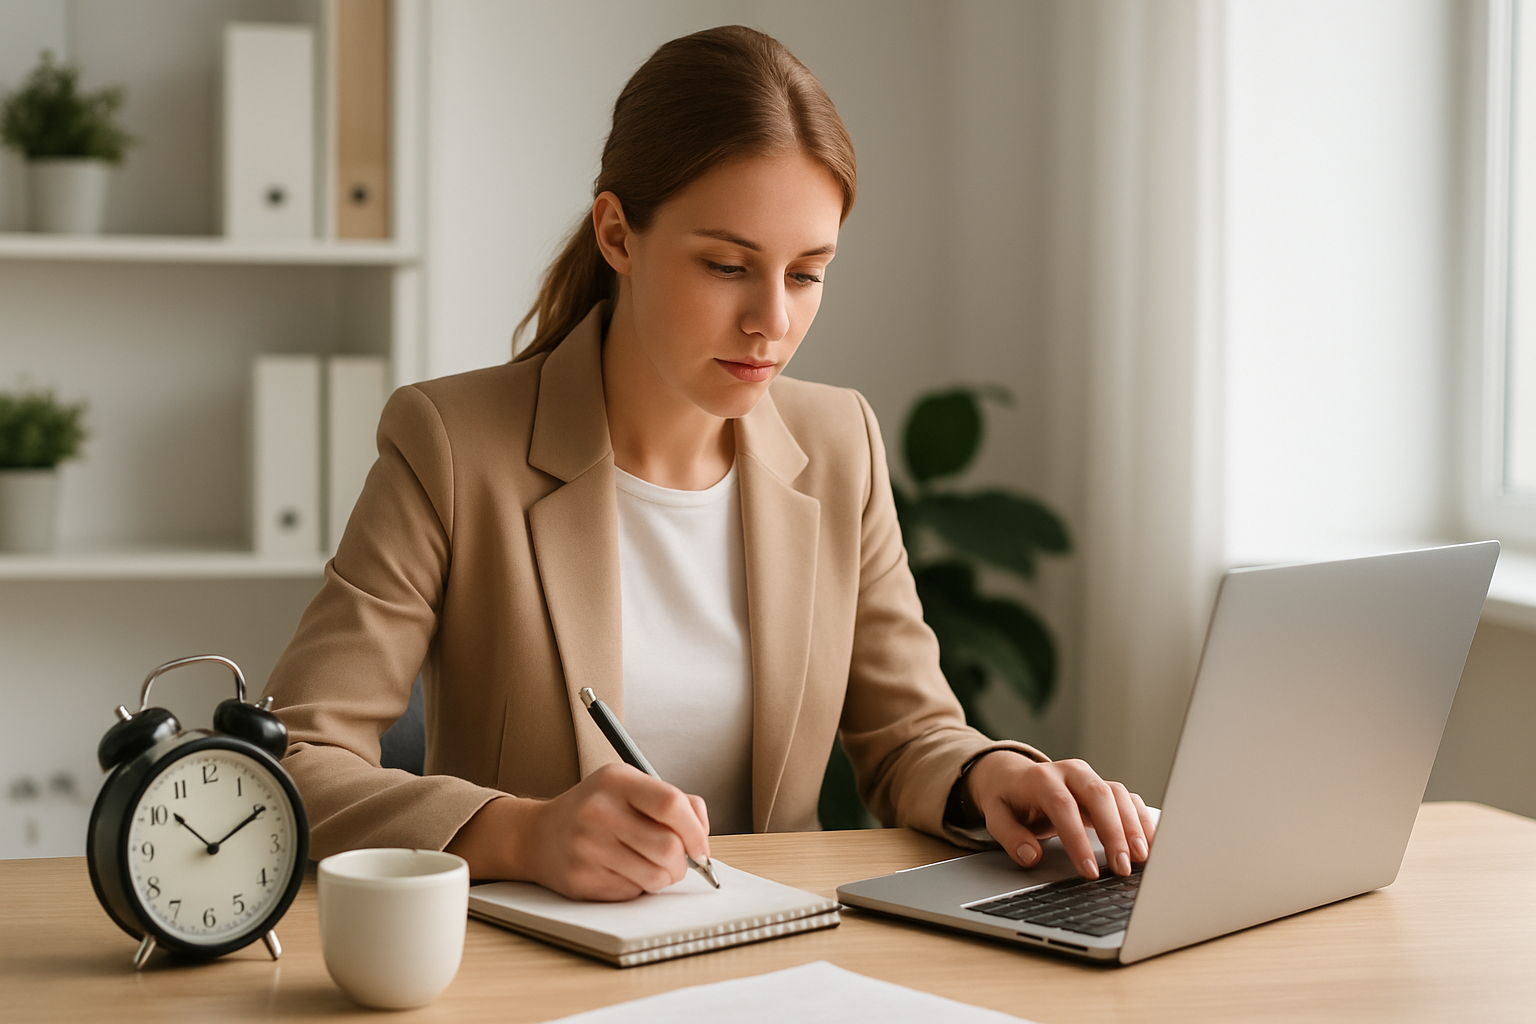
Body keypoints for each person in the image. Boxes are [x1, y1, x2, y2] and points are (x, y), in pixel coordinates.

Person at [262, 25, 1154, 903]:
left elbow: (909, 732)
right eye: (729, 265)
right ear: (617, 234)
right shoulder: (452, 444)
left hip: (781, 958)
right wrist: (523, 833)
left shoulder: (841, 441)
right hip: (534, 966)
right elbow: (296, 759)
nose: (772, 320)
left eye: (806, 274)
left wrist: (989, 774)